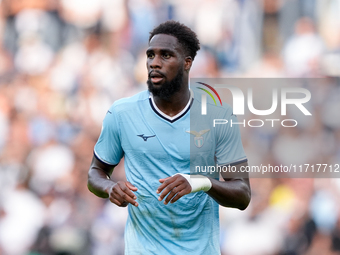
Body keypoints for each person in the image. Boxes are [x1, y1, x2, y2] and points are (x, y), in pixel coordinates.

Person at [87, 20, 251, 254]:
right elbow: (96, 172)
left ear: (187, 63)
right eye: (150, 55)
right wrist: (109, 187)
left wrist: (199, 182)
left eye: (166, 55)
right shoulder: (122, 113)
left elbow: (242, 195)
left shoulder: (218, 117)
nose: (154, 63)